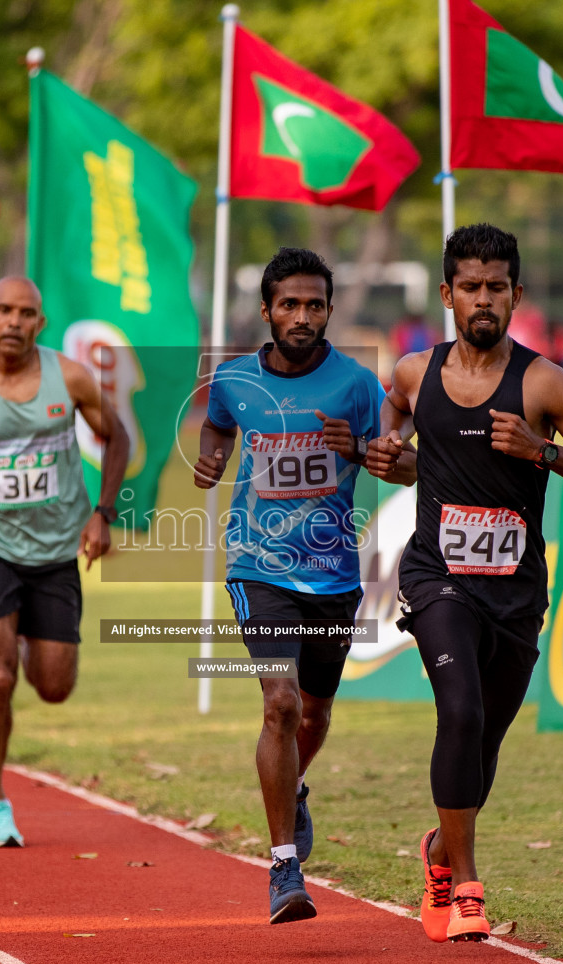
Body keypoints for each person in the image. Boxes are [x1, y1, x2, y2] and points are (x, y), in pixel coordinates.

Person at [366, 224, 563, 943]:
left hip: (515, 591)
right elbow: (394, 420)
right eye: (470, 287)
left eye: (496, 287)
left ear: (517, 294)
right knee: (461, 708)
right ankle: (467, 885)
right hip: (436, 576)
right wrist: (391, 447)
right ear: (447, 294)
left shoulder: (544, 383)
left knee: (484, 742)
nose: (483, 299)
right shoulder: (416, 372)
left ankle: (438, 849)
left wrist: (542, 452)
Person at [193, 247, 384, 925]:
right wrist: (213, 458)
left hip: (333, 573)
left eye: (314, 305)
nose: (302, 317)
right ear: (268, 309)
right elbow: (217, 422)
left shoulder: (359, 385)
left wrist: (357, 448)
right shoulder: (234, 379)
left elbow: (408, 463)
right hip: (257, 567)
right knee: (280, 704)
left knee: (315, 713)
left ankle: (294, 787)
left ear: (329, 311)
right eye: (289, 305)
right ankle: (282, 867)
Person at [0, 276, 129, 849]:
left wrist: (103, 514)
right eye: (4, 311)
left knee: (54, 687)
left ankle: (29, 640)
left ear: (40, 323)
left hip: (58, 547)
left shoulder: (71, 378)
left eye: (26, 313)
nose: (14, 321)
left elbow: (119, 438)